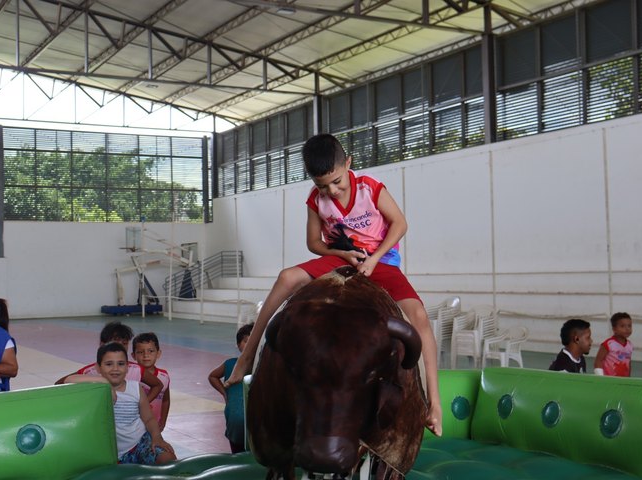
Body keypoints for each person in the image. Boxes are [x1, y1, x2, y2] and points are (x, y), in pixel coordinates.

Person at [225, 133, 442, 436]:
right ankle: (247, 357)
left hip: (380, 261)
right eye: (322, 185)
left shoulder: (370, 188)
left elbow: (400, 224)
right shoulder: (316, 200)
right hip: (342, 259)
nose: (332, 190)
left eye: (337, 181)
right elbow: (313, 243)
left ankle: (434, 403)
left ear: (348, 164)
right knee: (287, 277)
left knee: (418, 317)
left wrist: (374, 259)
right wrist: (342, 253)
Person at [64, 342, 176, 465]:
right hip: (110, 453)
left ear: (128, 367)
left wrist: (156, 437)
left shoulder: (134, 388)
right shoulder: (94, 389)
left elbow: (148, 418)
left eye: (121, 364)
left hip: (139, 443)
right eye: (109, 364)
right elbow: (68, 380)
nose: (115, 369)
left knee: (167, 459)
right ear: (98, 368)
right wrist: (104, 382)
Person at [55, 321, 163, 403]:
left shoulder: (136, 369)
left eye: (124, 343)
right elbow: (59, 384)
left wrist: (143, 404)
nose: (120, 346)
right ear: (102, 344)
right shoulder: (91, 371)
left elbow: (157, 385)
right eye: (115, 342)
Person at [208, 323, 254, 453]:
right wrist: (224, 393)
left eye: (253, 342)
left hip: (254, 422)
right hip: (235, 421)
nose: (250, 345)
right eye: (246, 341)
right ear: (238, 345)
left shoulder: (262, 366)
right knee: (237, 453)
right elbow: (212, 376)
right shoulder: (230, 364)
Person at [132, 332, 171, 431]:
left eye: (151, 351)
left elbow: (166, 400)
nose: (146, 355)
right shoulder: (131, 376)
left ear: (158, 353)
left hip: (154, 426)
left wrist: (163, 421)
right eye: (140, 352)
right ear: (133, 355)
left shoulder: (164, 376)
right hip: (134, 426)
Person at [594, 312, 634, 377]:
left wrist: (628, 379)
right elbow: (598, 361)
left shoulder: (630, 345)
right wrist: (600, 378)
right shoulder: (608, 344)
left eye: (629, 326)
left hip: (622, 382)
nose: (627, 329)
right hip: (608, 381)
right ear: (614, 329)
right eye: (622, 326)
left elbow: (628, 363)